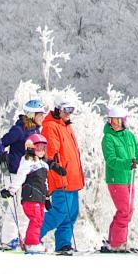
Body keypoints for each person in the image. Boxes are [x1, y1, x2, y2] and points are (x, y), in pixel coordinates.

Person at [99, 105, 138, 254]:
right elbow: (111, 160)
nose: (116, 123)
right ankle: (118, 242)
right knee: (125, 210)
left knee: (128, 210)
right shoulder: (108, 138)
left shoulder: (129, 136)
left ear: (124, 121)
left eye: (119, 120)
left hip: (129, 179)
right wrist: (127, 164)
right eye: (113, 120)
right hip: (116, 179)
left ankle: (113, 239)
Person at [0, 99, 48, 250]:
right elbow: (0, 144)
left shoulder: (36, 131)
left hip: (27, 174)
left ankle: (21, 239)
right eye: (40, 114)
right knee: (15, 207)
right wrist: (2, 157)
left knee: (24, 208)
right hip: (13, 173)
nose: (42, 117)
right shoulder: (19, 130)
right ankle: (8, 241)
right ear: (31, 114)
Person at [39, 100, 87, 255]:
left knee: (71, 214)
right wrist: (55, 167)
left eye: (71, 110)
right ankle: (32, 237)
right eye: (65, 110)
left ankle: (63, 244)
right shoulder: (51, 126)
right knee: (59, 213)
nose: (68, 113)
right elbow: (50, 152)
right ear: (58, 109)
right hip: (61, 178)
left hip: (73, 178)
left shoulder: (66, 126)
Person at [7, 133, 62, 254]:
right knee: (36, 220)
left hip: (40, 198)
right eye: (38, 148)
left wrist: (47, 198)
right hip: (30, 197)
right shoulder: (28, 162)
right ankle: (32, 244)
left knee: (40, 220)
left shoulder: (43, 164)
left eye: (43, 148)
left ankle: (30, 241)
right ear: (31, 148)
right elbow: (20, 177)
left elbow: (45, 183)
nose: (41, 151)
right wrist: (10, 191)